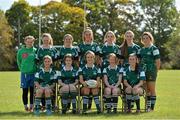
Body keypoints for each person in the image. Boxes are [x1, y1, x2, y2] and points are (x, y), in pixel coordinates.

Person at [78, 28, 101, 109]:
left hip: (93, 68)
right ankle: (86, 107)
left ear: (92, 36)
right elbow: (78, 57)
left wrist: (96, 65)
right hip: (84, 68)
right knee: (87, 88)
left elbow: (98, 57)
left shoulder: (95, 45)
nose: (88, 36)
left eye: (89, 34)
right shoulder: (80, 45)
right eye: (86, 34)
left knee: (93, 86)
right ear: (84, 35)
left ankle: (93, 105)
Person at [138, 32, 160, 112]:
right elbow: (139, 61)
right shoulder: (141, 50)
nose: (145, 39)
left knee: (152, 89)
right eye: (143, 38)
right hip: (143, 72)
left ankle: (152, 108)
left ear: (150, 39)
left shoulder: (154, 49)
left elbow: (158, 62)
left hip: (151, 72)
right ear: (142, 40)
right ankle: (148, 107)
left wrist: (155, 71)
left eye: (147, 38)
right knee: (146, 90)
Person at [120, 30, 141, 108]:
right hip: (125, 69)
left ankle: (132, 102)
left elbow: (138, 60)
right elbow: (121, 60)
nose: (129, 38)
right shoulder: (121, 47)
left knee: (134, 84)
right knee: (126, 86)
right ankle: (127, 103)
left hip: (134, 69)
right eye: (127, 36)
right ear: (125, 37)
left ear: (133, 37)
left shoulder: (137, 47)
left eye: (130, 36)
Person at [17, 36, 37, 112]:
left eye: (31, 42)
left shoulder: (35, 50)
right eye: (28, 41)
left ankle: (32, 106)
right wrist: (22, 69)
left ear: (33, 42)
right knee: (25, 91)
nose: (29, 43)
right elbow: (18, 61)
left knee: (32, 91)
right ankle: (26, 106)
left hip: (33, 74)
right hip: (24, 74)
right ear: (25, 42)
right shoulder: (21, 51)